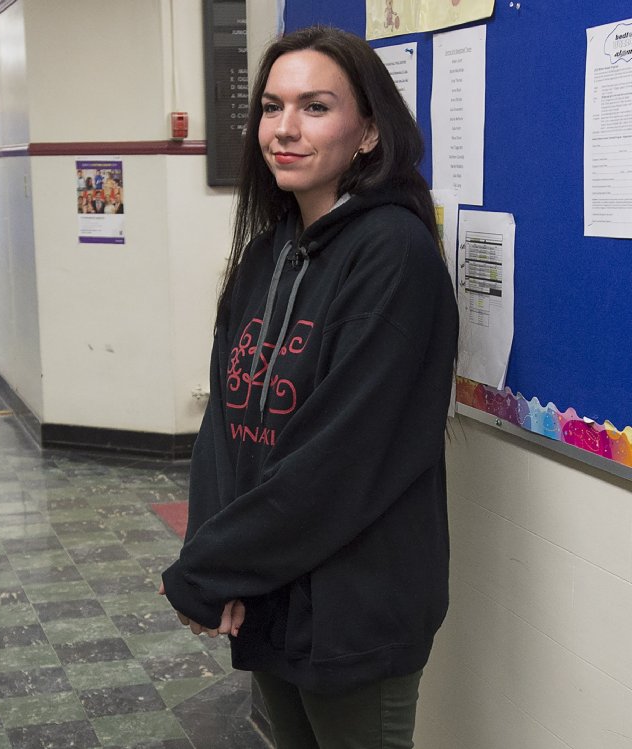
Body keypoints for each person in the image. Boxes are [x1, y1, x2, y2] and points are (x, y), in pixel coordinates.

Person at [160, 25, 458, 749]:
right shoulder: (270, 250)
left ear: (367, 133)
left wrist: (216, 564)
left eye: (315, 106)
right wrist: (214, 551)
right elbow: (226, 426)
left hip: (355, 606)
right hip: (273, 590)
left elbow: (340, 456)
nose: (284, 129)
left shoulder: (394, 255)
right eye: (271, 106)